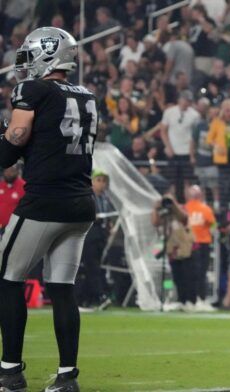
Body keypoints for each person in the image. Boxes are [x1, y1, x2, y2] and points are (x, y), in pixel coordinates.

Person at [0, 27, 97, 391]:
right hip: (81, 204)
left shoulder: (32, 89)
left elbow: (17, 140)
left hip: (45, 201)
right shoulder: (87, 94)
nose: (23, 63)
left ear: (48, 54)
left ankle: (10, 372)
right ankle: (67, 377)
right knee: (62, 289)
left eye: (29, 54)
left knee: (7, 279)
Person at [152, 191, 196, 311]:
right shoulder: (164, 213)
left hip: (185, 249)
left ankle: (191, 301)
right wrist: (156, 208)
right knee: (177, 277)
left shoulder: (180, 209)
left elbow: (184, 218)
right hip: (172, 250)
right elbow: (155, 223)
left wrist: (174, 205)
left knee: (187, 276)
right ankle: (181, 301)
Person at [76, 170, 114, 310]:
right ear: (91, 181)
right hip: (89, 234)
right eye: (99, 180)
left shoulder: (105, 198)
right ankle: (100, 296)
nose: (102, 184)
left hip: (101, 235)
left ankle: (86, 298)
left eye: (104, 181)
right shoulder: (87, 195)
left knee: (96, 267)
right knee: (91, 267)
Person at [184, 185, 216, 311]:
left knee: (189, 273)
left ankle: (189, 300)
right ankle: (201, 300)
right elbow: (213, 225)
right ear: (200, 195)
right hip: (202, 244)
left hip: (188, 244)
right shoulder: (205, 209)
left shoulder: (184, 209)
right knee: (202, 273)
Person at [0, 164, 24, 238]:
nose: (8, 173)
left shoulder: (23, 187)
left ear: (17, 171)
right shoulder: (1, 184)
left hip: (9, 227)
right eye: (7, 171)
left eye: (12, 171)